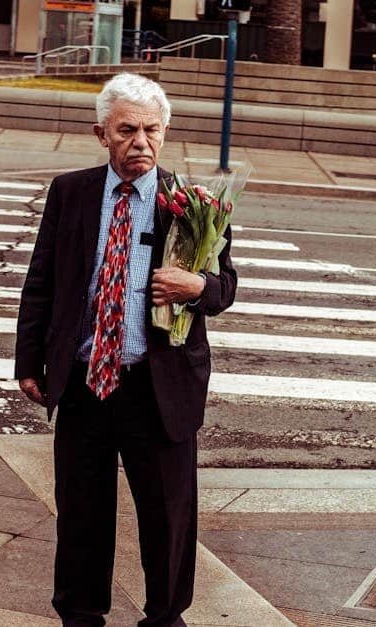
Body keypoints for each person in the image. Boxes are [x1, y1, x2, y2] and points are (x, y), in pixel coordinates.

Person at [15, 72, 237, 627]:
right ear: (101, 134)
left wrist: (198, 288)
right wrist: (30, 362)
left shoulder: (193, 203)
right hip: (87, 381)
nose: (141, 142)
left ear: (165, 133)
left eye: (152, 130)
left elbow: (226, 285)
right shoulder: (70, 192)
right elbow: (41, 282)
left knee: (168, 517)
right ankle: (81, 616)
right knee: (82, 515)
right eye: (127, 130)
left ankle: (165, 618)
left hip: (157, 387)